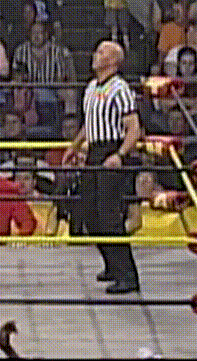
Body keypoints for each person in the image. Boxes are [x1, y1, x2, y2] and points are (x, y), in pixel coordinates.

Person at [61, 40, 142, 293]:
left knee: (109, 216)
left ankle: (128, 275)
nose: (95, 54)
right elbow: (89, 124)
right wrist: (74, 146)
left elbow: (134, 128)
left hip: (112, 150)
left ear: (114, 60)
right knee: (88, 211)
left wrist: (120, 154)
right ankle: (112, 265)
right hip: (94, 152)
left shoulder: (120, 88)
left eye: (101, 51)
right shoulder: (90, 88)